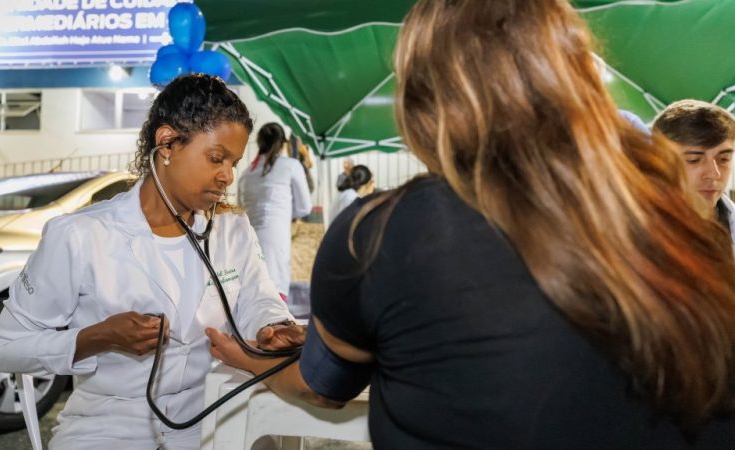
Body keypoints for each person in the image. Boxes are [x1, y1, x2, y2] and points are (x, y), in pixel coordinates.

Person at [208, 1, 735, 448]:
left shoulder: (377, 235)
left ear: (423, 100)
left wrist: (247, 361)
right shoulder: (677, 214)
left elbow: (321, 385)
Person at [0, 74, 304, 450]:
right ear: (167, 142)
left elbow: (258, 298)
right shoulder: (79, 235)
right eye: (216, 158)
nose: (228, 176)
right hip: (109, 425)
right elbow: (6, 347)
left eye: (233, 163)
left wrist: (272, 326)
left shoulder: (232, 229)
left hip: (213, 413)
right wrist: (98, 337)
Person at [238, 122, 312, 300]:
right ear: (283, 143)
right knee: (274, 290)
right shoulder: (291, 165)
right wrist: (285, 214)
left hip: (247, 240)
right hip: (276, 238)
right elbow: (304, 207)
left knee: (252, 292)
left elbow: (240, 208)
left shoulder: (246, 173)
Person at [652, 99, 735, 246]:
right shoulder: (628, 231)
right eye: (694, 159)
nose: (714, 174)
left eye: (724, 159)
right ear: (659, 161)